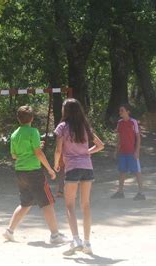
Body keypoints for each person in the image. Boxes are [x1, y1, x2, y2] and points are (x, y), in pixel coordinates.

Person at [3, 105, 68, 244]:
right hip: (34, 171)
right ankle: (55, 235)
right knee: (47, 203)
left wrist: (35, 147)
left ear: (18, 119)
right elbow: (38, 153)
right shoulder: (33, 132)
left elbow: (14, 155)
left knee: (26, 203)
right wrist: (50, 169)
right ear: (32, 118)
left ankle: (9, 231)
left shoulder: (14, 134)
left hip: (20, 172)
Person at [54, 98, 104, 255]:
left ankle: (76, 240)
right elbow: (101, 145)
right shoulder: (85, 126)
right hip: (87, 167)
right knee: (86, 205)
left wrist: (56, 164)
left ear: (65, 111)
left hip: (72, 168)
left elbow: (58, 150)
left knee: (69, 205)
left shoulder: (62, 127)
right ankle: (87, 243)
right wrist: (85, 153)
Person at [111, 104, 145, 200]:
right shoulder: (120, 123)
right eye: (119, 111)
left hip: (132, 152)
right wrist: (115, 150)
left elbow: (138, 137)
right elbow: (119, 138)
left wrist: (137, 151)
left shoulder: (133, 122)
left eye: (122, 110)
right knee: (122, 171)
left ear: (128, 111)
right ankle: (120, 192)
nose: (120, 112)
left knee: (137, 171)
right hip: (122, 152)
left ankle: (141, 193)